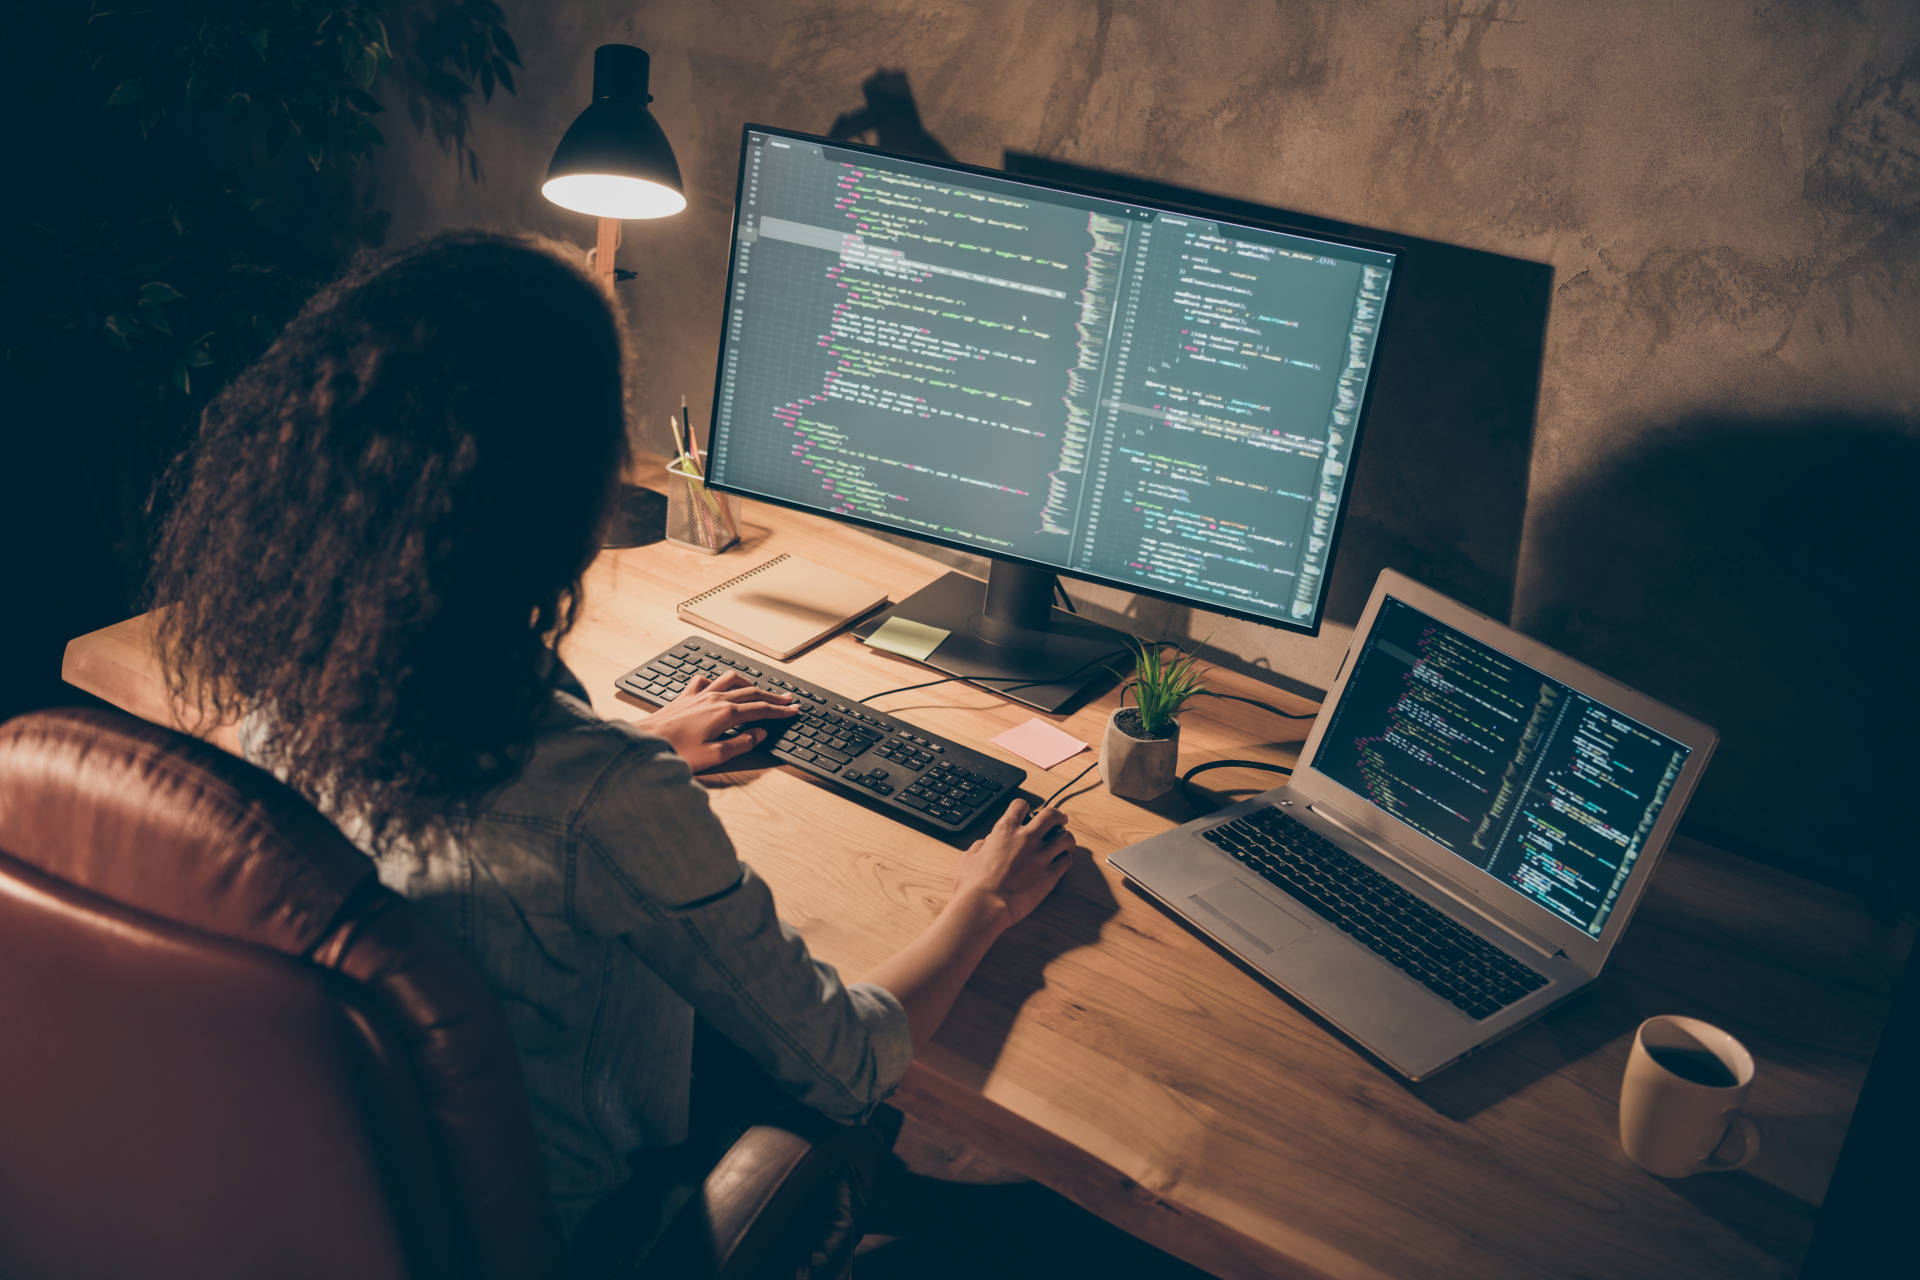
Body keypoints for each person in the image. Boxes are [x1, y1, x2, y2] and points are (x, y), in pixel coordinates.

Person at [146, 230, 1082, 1244]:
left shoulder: (278, 704)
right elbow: (848, 1063)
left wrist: (636, 738)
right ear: (576, 500)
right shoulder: (605, 797)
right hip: (595, 1227)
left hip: (347, 1218)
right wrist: (981, 902)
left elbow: (506, 805)